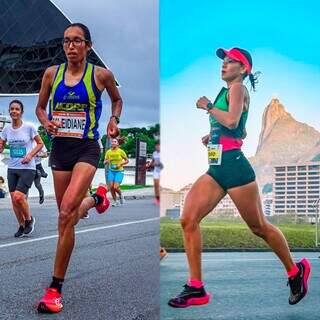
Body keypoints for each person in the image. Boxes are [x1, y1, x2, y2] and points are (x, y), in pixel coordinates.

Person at [168, 48, 310, 308]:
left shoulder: (237, 89)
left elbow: (232, 121)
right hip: (217, 167)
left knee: (259, 227)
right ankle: (196, 287)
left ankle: (295, 271)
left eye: (231, 61)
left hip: (234, 168)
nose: (224, 64)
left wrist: (208, 107)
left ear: (243, 69)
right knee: (188, 219)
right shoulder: (227, 91)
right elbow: (239, 128)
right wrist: (211, 137)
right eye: (223, 60)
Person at [35, 23, 122, 313]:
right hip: (61, 148)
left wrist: (113, 120)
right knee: (68, 219)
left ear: (88, 45)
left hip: (87, 148)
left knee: (63, 214)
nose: (71, 46)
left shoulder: (101, 75)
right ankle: (97, 199)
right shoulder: (51, 74)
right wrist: (46, 122)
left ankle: (54, 290)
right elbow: (40, 107)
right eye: (66, 42)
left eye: (77, 41)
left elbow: (117, 99)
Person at [0, 100, 44, 237]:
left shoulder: (29, 127)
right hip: (12, 167)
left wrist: (30, 155)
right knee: (14, 199)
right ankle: (21, 224)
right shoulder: (6, 129)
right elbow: (1, 143)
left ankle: (29, 220)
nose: (14, 111)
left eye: (17, 109)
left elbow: (40, 143)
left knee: (19, 197)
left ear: (21, 112)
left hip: (27, 168)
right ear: (9, 111)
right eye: (12, 109)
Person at [104, 138, 128, 206]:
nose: (113, 143)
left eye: (115, 142)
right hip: (111, 171)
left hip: (119, 171)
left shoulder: (121, 151)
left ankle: (121, 196)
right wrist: (107, 161)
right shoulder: (108, 152)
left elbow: (127, 160)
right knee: (111, 187)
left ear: (117, 143)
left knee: (115, 187)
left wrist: (120, 164)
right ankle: (115, 201)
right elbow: (104, 161)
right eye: (112, 142)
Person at [147, 140, 162, 205]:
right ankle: (157, 199)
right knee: (156, 185)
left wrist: (158, 163)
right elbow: (152, 161)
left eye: (159, 145)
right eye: (156, 145)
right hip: (156, 171)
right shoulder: (154, 153)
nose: (157, 146)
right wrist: (149, 165)